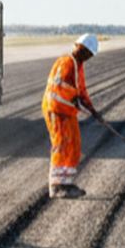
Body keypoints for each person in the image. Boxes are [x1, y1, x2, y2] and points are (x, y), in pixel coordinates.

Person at [43, 33, 98, 199]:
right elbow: (63, 90)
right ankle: (56, 185)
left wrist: (92, 108)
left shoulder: (77, 65)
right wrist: (77, 101)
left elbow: (81, 90)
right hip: (56, 110)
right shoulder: (67, 63)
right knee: (61, 145)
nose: (87, 57)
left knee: (74, 146)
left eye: (90, 55)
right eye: (86, 53)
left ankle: (66, 183)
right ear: (79, 47)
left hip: (67, 111)